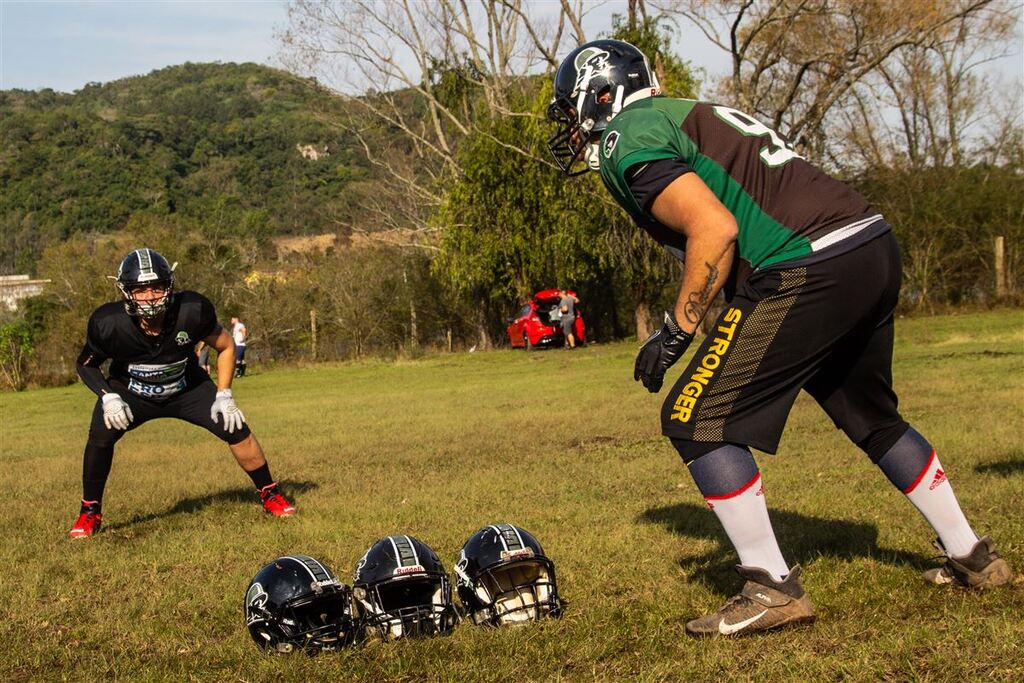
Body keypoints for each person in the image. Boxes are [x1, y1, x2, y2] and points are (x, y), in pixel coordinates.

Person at [547, 39, 1013, 636]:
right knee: (872, 418)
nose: (571, 121)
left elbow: (714, 229)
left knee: (697, 419)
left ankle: (772, 587)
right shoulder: (688, 110)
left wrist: (676, 329)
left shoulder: (626, 134)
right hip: (869, 243)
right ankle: (974, 555)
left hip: (807, 263)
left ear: (598, 94)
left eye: (570, 106)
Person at [70, 248, 295, 539]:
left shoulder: (191, 310)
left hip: (187, 387)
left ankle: (269, 492)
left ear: (170, 286)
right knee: (100, 435)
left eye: (156, 287)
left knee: (236, 427)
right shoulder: (108, 323)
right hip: (131, 393)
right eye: (140, 290)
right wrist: (107, 395)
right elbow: (85, 364)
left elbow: (226, 347)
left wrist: (224, 394)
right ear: (126, 293)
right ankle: (90, 510)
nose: (150, 296)